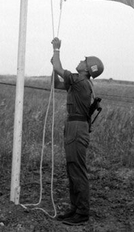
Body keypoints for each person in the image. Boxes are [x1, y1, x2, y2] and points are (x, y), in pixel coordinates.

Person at [51, 36, 104, 226]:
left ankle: (82, 212)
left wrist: (56, 50)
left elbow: (59, 69)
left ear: (88, 69)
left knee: (77, 170)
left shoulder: (80, 81)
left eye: (85, 60)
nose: (81, 60)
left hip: (76, 127)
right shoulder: (79, 82)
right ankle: (75, 208)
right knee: (72, 169)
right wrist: (53, 64)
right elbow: (57, 83)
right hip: (74, 126)